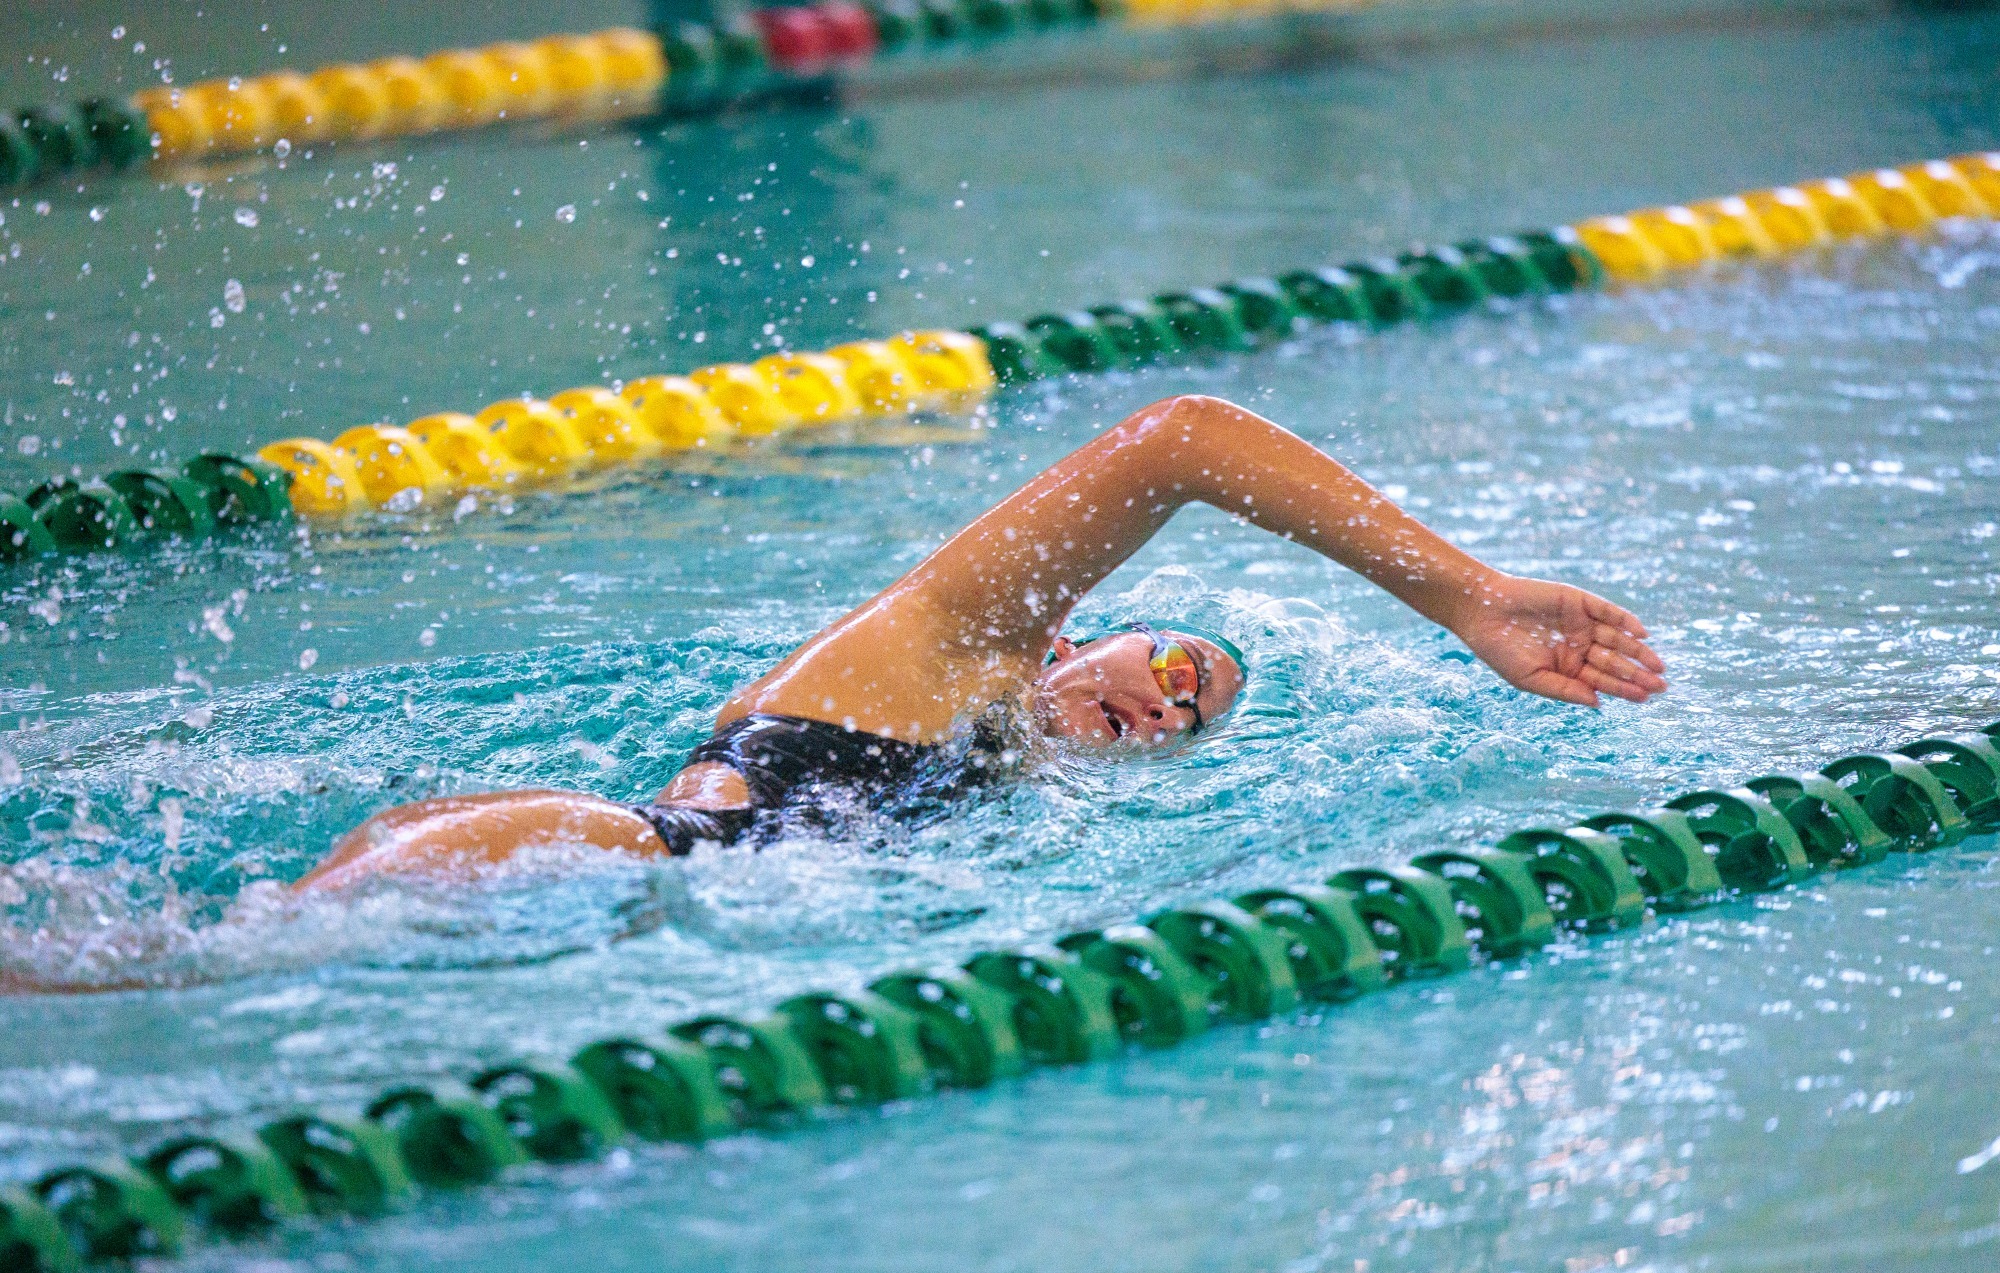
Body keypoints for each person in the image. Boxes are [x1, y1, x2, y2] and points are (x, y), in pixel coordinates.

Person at [294, 394, 1666, 893]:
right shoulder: (967, 640)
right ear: (1076, 629)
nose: (1176, 711)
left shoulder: (1001, 773)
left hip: (596, 905)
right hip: (593, 851)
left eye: (1197, 724)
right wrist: (1466, 596)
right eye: (1179, 671)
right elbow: (1184, 440)